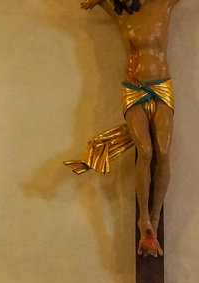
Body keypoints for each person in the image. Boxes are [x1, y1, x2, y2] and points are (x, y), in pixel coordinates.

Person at [66, 0, 182, 257]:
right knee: (146, 152)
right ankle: (143, 220)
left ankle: (154, 219)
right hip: (133, 89)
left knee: (163, 152)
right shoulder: (119, 14)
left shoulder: (162, 4)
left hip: (162, 87)